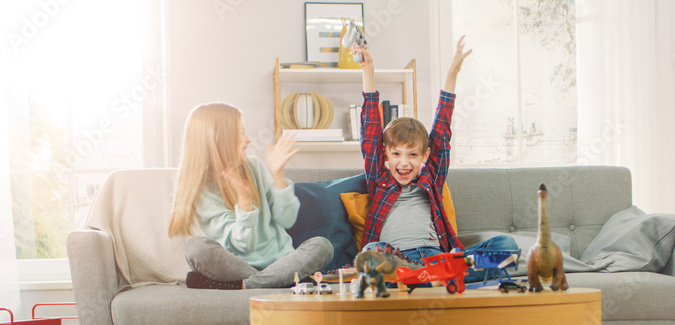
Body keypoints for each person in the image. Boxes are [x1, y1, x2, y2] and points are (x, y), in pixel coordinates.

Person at [354, 36, 517, 278]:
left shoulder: (431, 177)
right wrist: (368, 70)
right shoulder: (380, 179)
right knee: (370, 252)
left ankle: (427, 276)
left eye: (412, 154)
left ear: (425, 156)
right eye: (396, 154)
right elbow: (369, 134)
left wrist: (452, 75)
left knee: (507, 246)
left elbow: (441, 132)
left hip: (438, 257)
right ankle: (428, 276)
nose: (404, 162)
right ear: (385, 155)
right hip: (397, 258)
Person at [168, 103, 333, 289]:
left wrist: (278, 176)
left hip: (283, 262)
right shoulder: (203, 190)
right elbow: (244, 245)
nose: (248, 140)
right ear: (219, 138)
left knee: (322, 246)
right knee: (196, 248)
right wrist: (245, 203)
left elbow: (287, 220)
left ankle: (246, 285)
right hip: (238, 267)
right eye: (240, 133)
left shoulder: (255, 166)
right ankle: (277, 281)